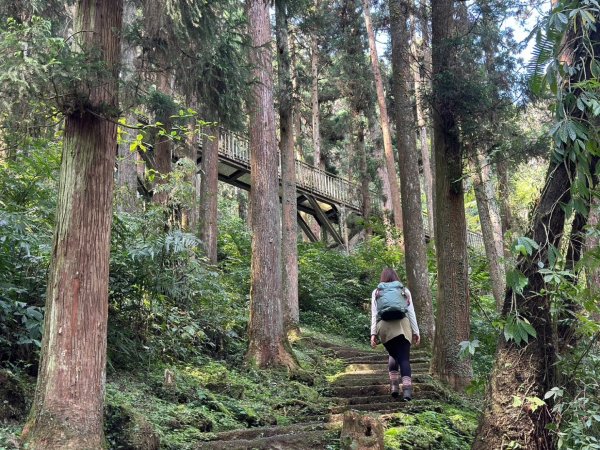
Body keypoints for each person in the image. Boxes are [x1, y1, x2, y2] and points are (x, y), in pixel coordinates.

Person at [370, 267, 420, 400]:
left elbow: (374, 314)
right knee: (403, 358)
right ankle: (407, 391)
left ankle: (394, 387)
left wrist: (373, 334)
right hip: (402, 325)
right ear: (396, 278)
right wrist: (416, 331)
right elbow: (411, 312)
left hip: (385, 327)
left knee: (393, 355)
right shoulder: (404, 290)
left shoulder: (377, 292)